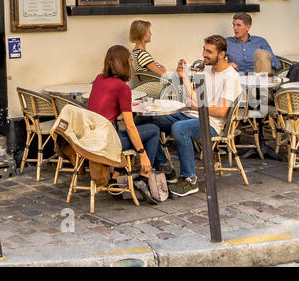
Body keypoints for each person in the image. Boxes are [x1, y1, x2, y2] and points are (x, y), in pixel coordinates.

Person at [88, 45, 173, 197]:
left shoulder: (99, 79)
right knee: (153, 130)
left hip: (92, 138)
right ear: (125, 63)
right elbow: (129, 126)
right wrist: (142, 154)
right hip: (109, 142)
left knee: (140, 122)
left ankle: (115, 178)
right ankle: (144, 177)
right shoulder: (122, 88)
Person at [164, 36, 242, 197]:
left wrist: (197, 106)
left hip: (212, 124)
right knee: (153, 119)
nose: (204, 54)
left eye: (209, 51)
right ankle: (164, 167)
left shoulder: (231, 77)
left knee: (179, 129)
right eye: (204, 49)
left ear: (221, 54)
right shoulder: (206, 70)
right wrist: (184, 76)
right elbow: (197, 98)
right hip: (193, 115)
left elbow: (221, 111)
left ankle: (190, 179)